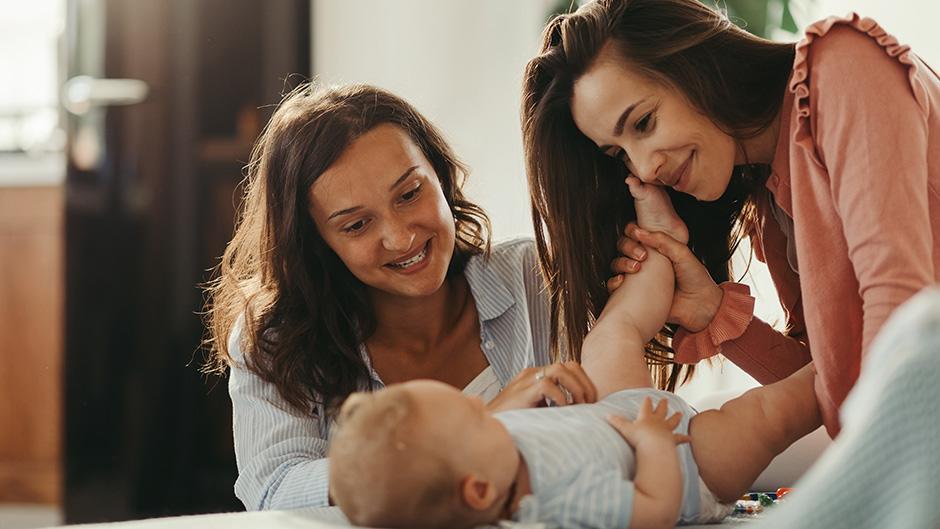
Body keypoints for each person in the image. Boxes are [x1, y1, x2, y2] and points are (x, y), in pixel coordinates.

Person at [521, 0, 940, 436]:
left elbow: (900, 305)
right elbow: (832, 390)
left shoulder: (843, 65)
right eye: (620, 154)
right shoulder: (770, 200)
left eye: (644, 122)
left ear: (696, 67)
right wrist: (711, 309)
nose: (644, 170)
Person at [328, 180, 821, 529]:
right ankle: (844, 369)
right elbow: (653, 510)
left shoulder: (485, 452)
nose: (491, 413)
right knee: (767, 414)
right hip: (687, 460)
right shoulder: (557, 501)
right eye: (478, 420)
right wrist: (652, 444)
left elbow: (514, 426)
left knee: (611, 337)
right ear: (479, 491)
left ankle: (661, 244)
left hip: (615, 411)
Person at [202, 83, 597, 510]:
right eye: (356, 225)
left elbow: (616, 431)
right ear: (317, 242)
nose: (401, 237)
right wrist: (480, 427)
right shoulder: (275, 340)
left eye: (410, 194)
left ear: (440, 176)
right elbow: (275, 493)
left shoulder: (536, 277)